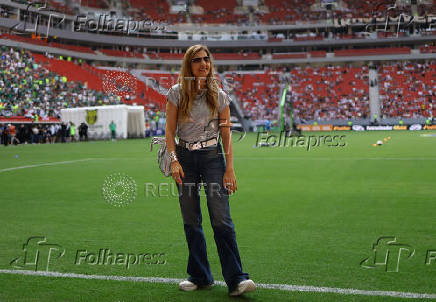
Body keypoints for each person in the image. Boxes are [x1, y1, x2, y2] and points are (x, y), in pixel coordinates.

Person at [165, 44, 255, 296]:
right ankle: (200, 275)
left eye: (206, 59)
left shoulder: (220, 95)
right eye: (197, 60)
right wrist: (173, 160)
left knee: (221, 220)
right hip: (184, 157)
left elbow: (226, 135)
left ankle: (237, 279)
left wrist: (230, 169)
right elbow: (169, 132)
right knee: (191, 220)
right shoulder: (176, 93)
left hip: (213, 158)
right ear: (188, 65)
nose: (203, 64)